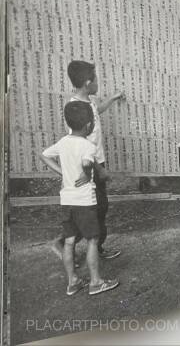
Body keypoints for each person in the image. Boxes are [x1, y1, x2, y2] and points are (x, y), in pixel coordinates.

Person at [40, 101, 120, 296]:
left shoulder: (63, 142)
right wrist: (86, 173)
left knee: (69, 242)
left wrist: (62, 172)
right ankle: (96, 282)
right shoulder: (88, 145)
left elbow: (44, 155)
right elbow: (86, 163)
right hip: (85, 200)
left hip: (66, 200)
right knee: (92, 240)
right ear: (88, 126)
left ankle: (73, 282)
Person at [52, 60, 125, 261]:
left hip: (96, 162)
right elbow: (79, 144)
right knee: (92, 208)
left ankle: (97, 247)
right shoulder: (75, 107)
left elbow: (96, 112)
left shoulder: (88, 102)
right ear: (87, 82)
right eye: (96, 79)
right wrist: (97, 170)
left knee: (100, 207)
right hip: (88, 166)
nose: (98, 83)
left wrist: (112, 98)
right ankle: (65, 242)